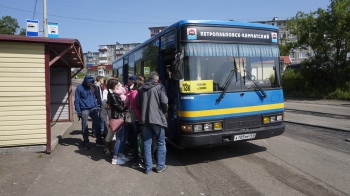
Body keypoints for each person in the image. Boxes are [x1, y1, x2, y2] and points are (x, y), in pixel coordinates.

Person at [136, 71, 168, 174]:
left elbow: (138, 104)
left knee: (147, 142)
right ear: (157, 79)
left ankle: (148, 168)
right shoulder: (160, 87)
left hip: (145, 119)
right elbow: (165, 102)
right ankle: (160, 166)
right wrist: (164, 112)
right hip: (157, 119)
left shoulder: (141, 89)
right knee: (160, 142)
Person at [74, 75, 104, 150]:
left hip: (93, 108)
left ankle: (99, 141)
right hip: (84, 109)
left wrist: (97, 106)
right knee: (85, 126)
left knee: (97, 124)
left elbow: (94, 97)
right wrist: (78, 111)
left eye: (91, 82)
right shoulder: (79, 88)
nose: (90, 83)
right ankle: (86, 142)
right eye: (89, 82)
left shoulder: (92, 87)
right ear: (85, 81)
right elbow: (76, 100)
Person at [108, 79, 130, 165]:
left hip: (120, 117)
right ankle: (115, 158)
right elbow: (119, 108)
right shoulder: (112, 95)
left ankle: (120, 155)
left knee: (123, 137)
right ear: (114, 86)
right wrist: (126, 106)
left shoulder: (114, 94)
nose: (119, 86)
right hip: (118, 118)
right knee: (119, 139)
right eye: (117, 85)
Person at [128, 78, 144, 168]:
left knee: (135, 139)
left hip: (134, 119)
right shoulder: (136, 94)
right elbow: (136, 109)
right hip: (137, 119)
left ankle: (135, 159)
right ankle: (135, 161)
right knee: (138, 141)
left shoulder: (132, 93)